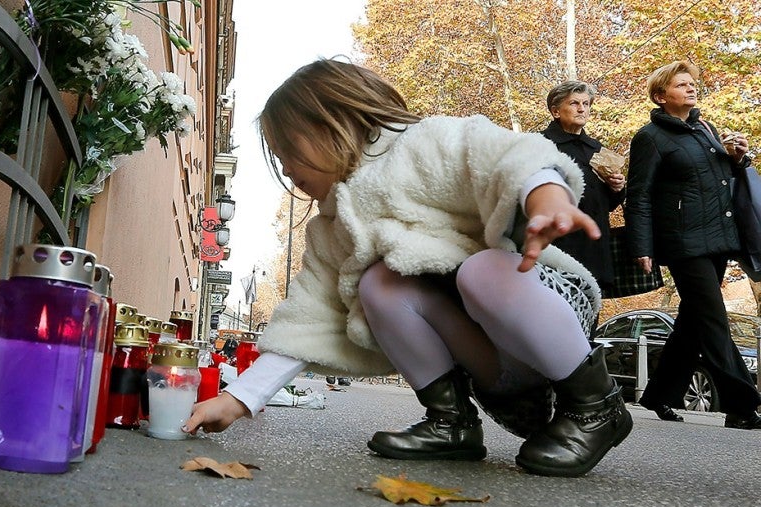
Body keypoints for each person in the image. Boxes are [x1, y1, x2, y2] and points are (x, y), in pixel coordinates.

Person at [183, 58, 633, 477]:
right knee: (378, 282)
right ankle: (450, 420)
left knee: (481, 271)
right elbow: (308, 315)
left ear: (328, 122)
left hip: (548, 309)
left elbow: (508, 156)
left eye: (287, 150)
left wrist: (546, 198)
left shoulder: (425, 143)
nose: (284, 168)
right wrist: (238, 398)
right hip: (495, 363)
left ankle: (596, 405)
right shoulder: (332, 226)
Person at [625, 60, 761, 429]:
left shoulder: (705, 128)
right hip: (683, 241)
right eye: (681, 85)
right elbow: (639, 195)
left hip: (718, 237)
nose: (690, 88)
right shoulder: (650, 137)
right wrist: (642, 247)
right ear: (661, 96)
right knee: (714, 318)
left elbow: (720, 180)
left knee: (693, 321)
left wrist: (736, 157)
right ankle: (742, 405)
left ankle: (659, 395)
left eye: (692, 83)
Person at [541, 81, 626, 301]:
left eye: (586, 104)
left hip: (595, 249)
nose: (582, 109)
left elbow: (606, 204)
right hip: (557, 250)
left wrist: (616, 188)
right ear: (555, 111)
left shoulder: (595, 148)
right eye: (574, 103)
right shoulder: (540, 145)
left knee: (590, 320)